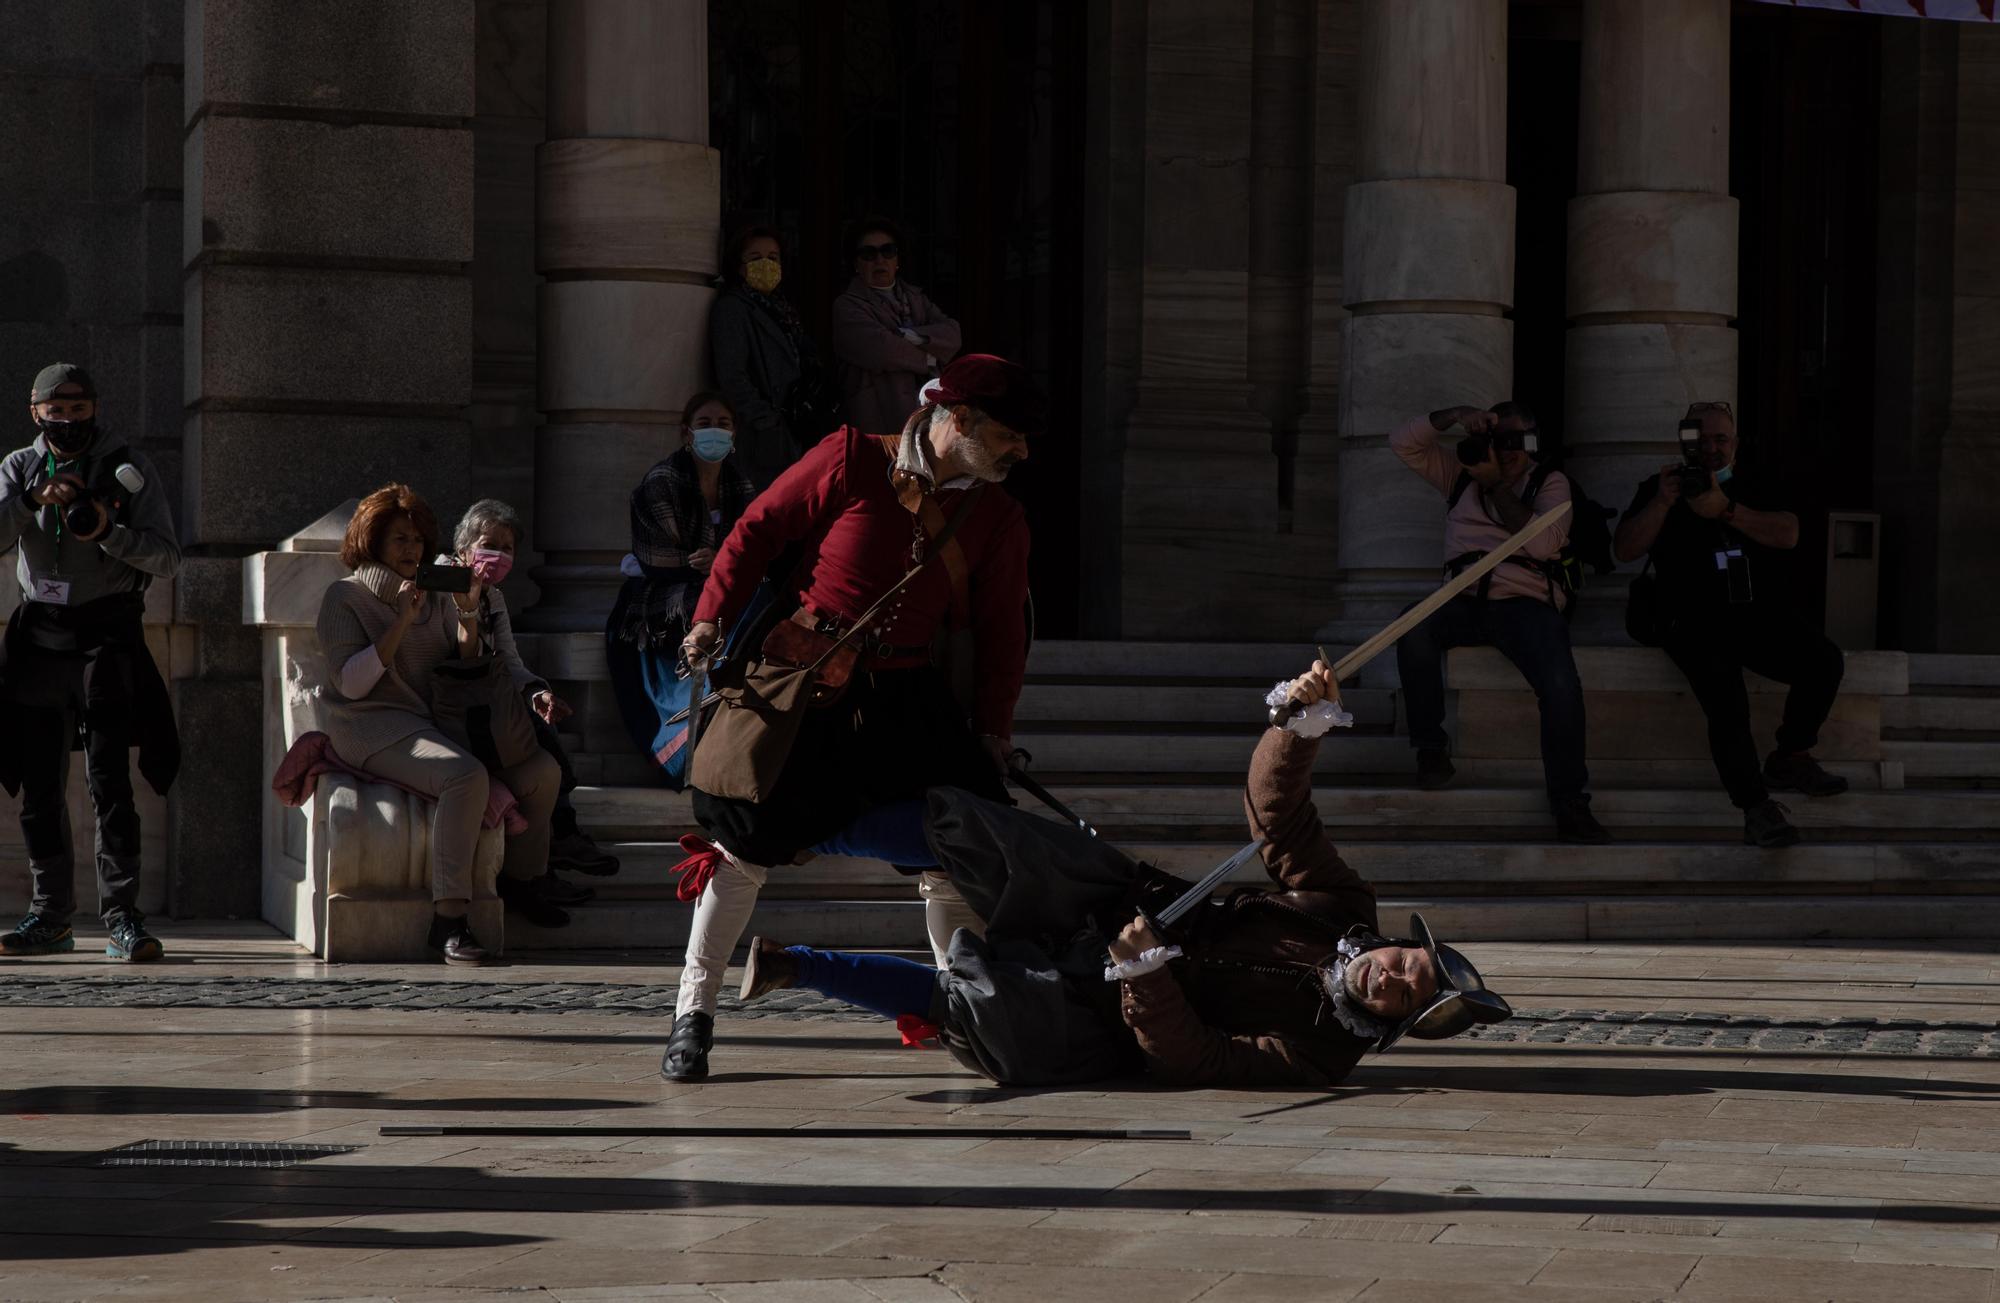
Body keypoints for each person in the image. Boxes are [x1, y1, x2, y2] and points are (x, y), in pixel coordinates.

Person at [736, 658, 1512, 1087]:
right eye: (1405, 965)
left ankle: (794, 965)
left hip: (1109, 1012)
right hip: (1122, 897)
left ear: (1394, 1022)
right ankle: (801, 833)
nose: (1390, 978)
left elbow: (1202, 1056)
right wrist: (1298, 730)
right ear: (1394, 942)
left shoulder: (1322, 1055)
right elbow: (1279, 818)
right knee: (986, 830)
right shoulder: (1338, 904)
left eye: (1403, 996)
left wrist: (1146, 974)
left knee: (986, 1009)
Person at [663, 353, 1042, 1082]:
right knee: (742, 842)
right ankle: (692, 1015)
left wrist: (994, 728)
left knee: (962, 837)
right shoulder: (850, 459)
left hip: (906, 702)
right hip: (804, 690)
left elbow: (1002, 632)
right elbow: (756, 530)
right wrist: (711, 616)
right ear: (958, 421)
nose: (1020, 452)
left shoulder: (998, 515)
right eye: (1010, 436)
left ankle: (969, 1011)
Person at [314, 484, 562, 964]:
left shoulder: (435, 593)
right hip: (371, 724)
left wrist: (467, 608)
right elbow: (352, 684)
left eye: (418, 541)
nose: (412, 551)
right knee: (464, 776)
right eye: (399, 541)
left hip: (435, 721)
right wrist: (401, 622)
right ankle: (449, 919)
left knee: (543, 772)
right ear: (373, 544)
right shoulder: (344, 597)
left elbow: (467, 659)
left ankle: (521, 880)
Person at [0, 363, 181, 960]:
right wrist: (29, 502)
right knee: (40, 784)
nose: (69, 422)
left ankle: (122, 917)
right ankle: (49, 917)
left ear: (95, 409)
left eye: (80, 411)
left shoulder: (127, 469)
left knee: (110, 780)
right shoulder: (18, 468)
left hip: (106, 634)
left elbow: (167, 557)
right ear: (36, 413)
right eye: (57, 411)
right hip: (39, 638)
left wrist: (109, 531)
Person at [1612, 402, 1847, 848]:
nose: (1710, 447)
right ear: (1683, 442)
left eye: (1720, 438)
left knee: (1824, 661)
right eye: (1700, 439)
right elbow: (1623, 550)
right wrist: (1664, 502)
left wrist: (1725, 510)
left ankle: (1791, 755)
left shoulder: (1755, 482)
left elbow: (1789, 533)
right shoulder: (1659, 487)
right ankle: (1756, 808)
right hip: (1689, 620)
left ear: (1735, 444)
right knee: (1728, 704)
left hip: (1753, 613)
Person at [1390, 402, 1610, 845]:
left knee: (1560, 684)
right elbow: (1403, 443)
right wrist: (1455, 417)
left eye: (1515, 442)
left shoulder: (1550, 482)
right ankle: (1431, 750)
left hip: (1524, 602)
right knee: (1412, 626)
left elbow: (1545, 543)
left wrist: (1495, 485)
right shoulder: (1459, 478)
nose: (1505, 451)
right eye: (1497, 440)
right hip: (1464, 597)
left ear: (1532, 444)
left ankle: (1569, 800)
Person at [448, 499, 620, 920]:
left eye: (508, 547)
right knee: (538, 743)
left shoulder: (496, 598)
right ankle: (562, 838)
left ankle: (538, 869)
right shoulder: (443, 584)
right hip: (452, 708)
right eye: (489, 544)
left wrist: (536, 694)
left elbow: (509, 661)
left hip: (489, 703)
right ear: (464, 546)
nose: (499, 555)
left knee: (543, 738)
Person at [605, 392, 759, 786]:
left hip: (719, 587)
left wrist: (721, 561)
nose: (715, 431)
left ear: (735, 433)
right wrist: (718, 562)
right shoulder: (661, 482)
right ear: (686, 433)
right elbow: (657, 557)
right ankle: (682, 737)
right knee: (709, 603)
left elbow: (755, 546)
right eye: (705, 423)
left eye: (723, 424)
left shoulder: (741, 486)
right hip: (658, 597)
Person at [709, 225, 835, 489]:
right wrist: (768, 421)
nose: (765, 264)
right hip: (762, 438)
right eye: (755, 258)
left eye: (772, 257)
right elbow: (732, 376)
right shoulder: (732, 309)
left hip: (795, 429)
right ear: (739, 266)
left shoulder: (782, 310)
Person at [830, 217, 962, 435]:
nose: (879, 260)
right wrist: (929, 358)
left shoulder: (915, 297)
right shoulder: (846, 306)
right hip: (877, 417)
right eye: (868, 254)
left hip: (925, 414)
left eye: (887, 251)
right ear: (856, 264)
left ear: (897, 259)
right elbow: (881, 350)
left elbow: (953, 334)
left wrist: (913, 336)